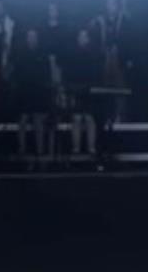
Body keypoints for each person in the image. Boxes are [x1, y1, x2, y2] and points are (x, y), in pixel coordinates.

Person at [12, 28, 54, 168]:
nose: (31, 39)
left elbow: (47, 77)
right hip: (24, 93)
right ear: (26, 38)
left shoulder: (42, 55)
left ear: (37, 38)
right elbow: (17, 76)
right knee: (22, 121)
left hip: (39, 94)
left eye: (34, 36)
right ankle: (22, 152)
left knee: (38, 122)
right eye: (29, 36)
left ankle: (40, 154)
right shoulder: (21, 55)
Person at [63, 27, 102, 160]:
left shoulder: (93, 54)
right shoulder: (72, 55)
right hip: (76, 91)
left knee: (90, 119)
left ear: (88, 38)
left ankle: (91, 149)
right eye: (80, 36)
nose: (82, 39)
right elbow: (68, 74)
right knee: (77, 118)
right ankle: (76, 149)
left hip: (90, 91)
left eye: (85, 36)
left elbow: (96, 74)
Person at [92, 0, 129, 122]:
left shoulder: (123, 20)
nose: (110, 6)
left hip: (119, 59)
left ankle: (119, 116)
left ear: (116, 5)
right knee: (105, 89)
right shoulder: (100, 21)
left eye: (113, 4)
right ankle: (107, 115)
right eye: (108, 4)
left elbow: (129, 40)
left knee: (120, 89)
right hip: (105, 59)